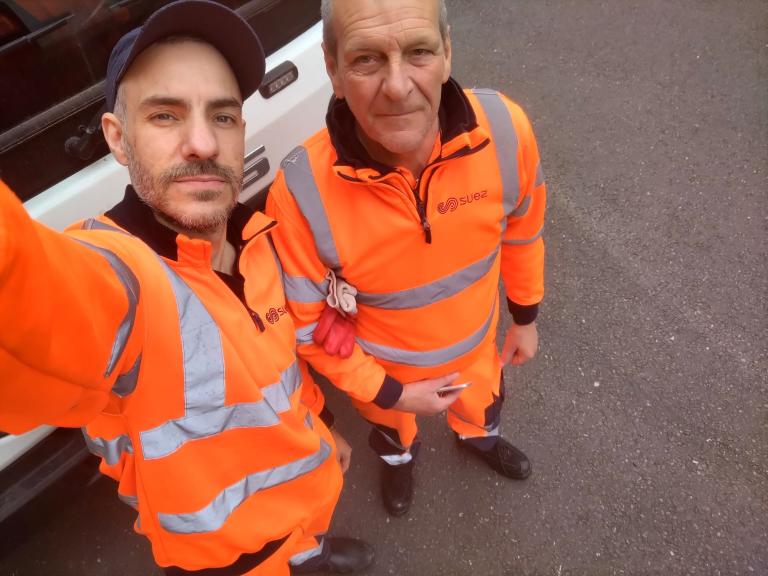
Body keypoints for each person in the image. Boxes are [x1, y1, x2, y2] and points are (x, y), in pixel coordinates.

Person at [0, 2, 374, 574]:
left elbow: (276, 372)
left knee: (313, 548)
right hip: (230, 561)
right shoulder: (121, 275)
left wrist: (323, 427)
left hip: (311, 494)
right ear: (118, 140)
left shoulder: (257, 236)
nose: (202, 142)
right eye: (166, 116)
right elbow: (31, 291)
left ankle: (316, 551)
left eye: (222, 116)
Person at [266, 0, 546, 517]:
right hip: (383, 377)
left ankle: (479, 439)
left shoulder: (505, 131)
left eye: (418, 52)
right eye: (366, 60)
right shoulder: (301, 188)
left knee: (483, 408)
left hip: (475, 355)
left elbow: (524, 231)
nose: (397, 87)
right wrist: (392, 392)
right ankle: (399, 460)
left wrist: (525, 317)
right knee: (393, 434)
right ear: (332, 69)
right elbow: (305, 327)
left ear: (447, 54)